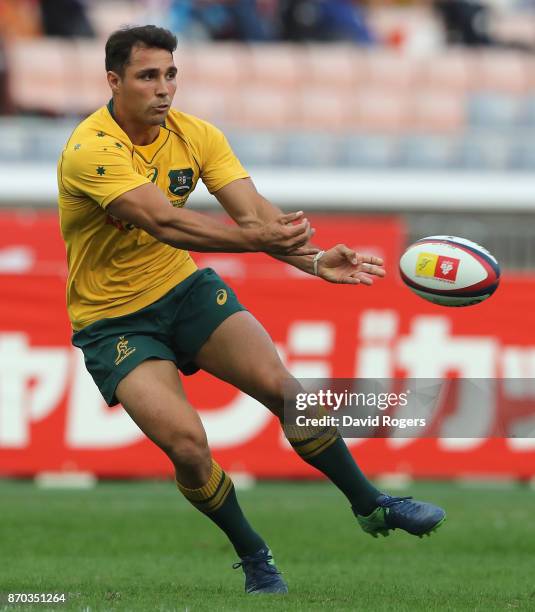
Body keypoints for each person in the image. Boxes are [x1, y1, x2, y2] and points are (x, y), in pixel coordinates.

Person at [57, 25, 445, 595]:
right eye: (147, 76)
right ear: (114, 82)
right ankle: (255, 554)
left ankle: (372, 503)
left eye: (169, 74)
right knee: (187, 445)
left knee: (288, 391)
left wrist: (312, 259)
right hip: (114, 320)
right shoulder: (90, 149)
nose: (163, 88)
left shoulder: (197, 135)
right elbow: (166, 220)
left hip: (182, 290)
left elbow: (255, 210)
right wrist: (263, 239)